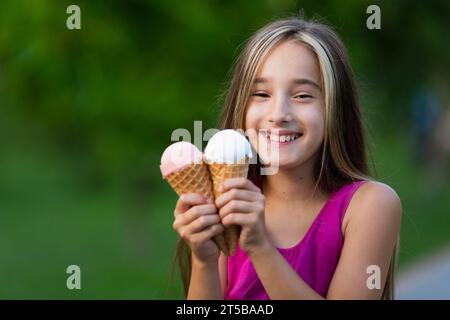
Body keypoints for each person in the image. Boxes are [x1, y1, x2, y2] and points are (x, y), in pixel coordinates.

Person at [172, 16, 402, 300]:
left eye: (303, 96)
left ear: (335, 109)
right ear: (242, 106)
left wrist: (260, 247)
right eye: (261, 93)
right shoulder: (228, 200)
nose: (279, 113)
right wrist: (204, 259)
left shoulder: (370, 205)